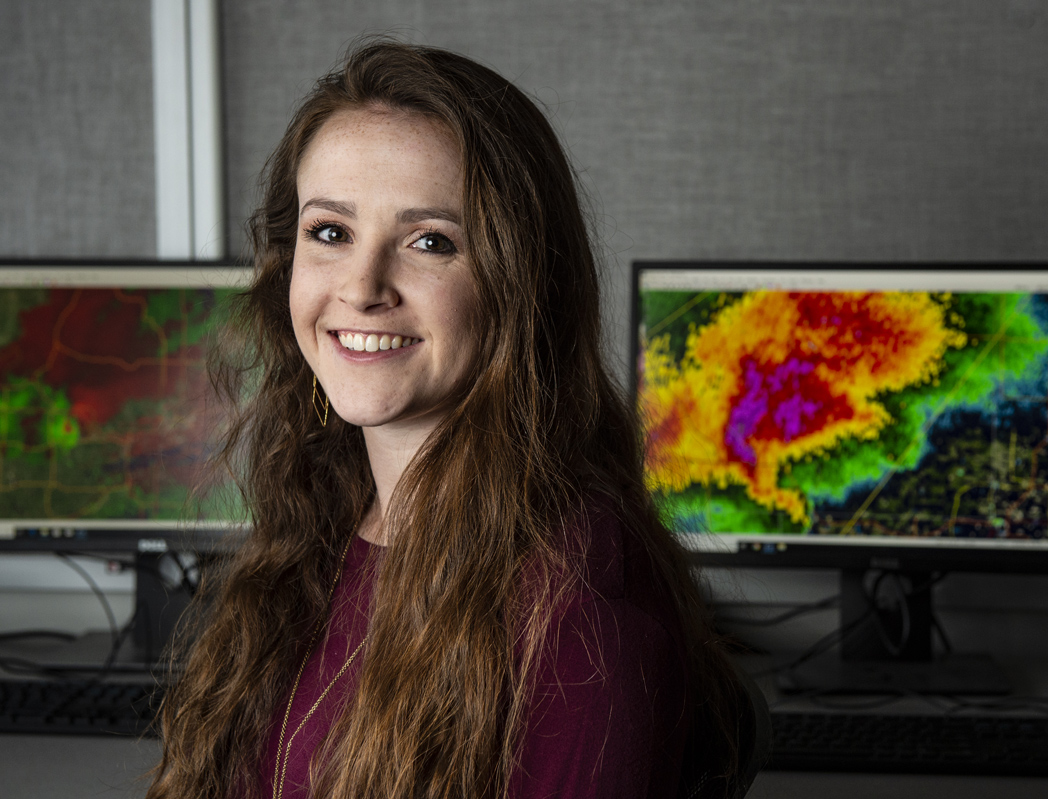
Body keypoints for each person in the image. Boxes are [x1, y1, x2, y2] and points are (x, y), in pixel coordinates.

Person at [146, 39, 744, 799]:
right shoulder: (317, 524)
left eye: (431, 242)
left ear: (520, 282)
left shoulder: (578, 613)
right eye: (330, 231)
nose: (363, 288)